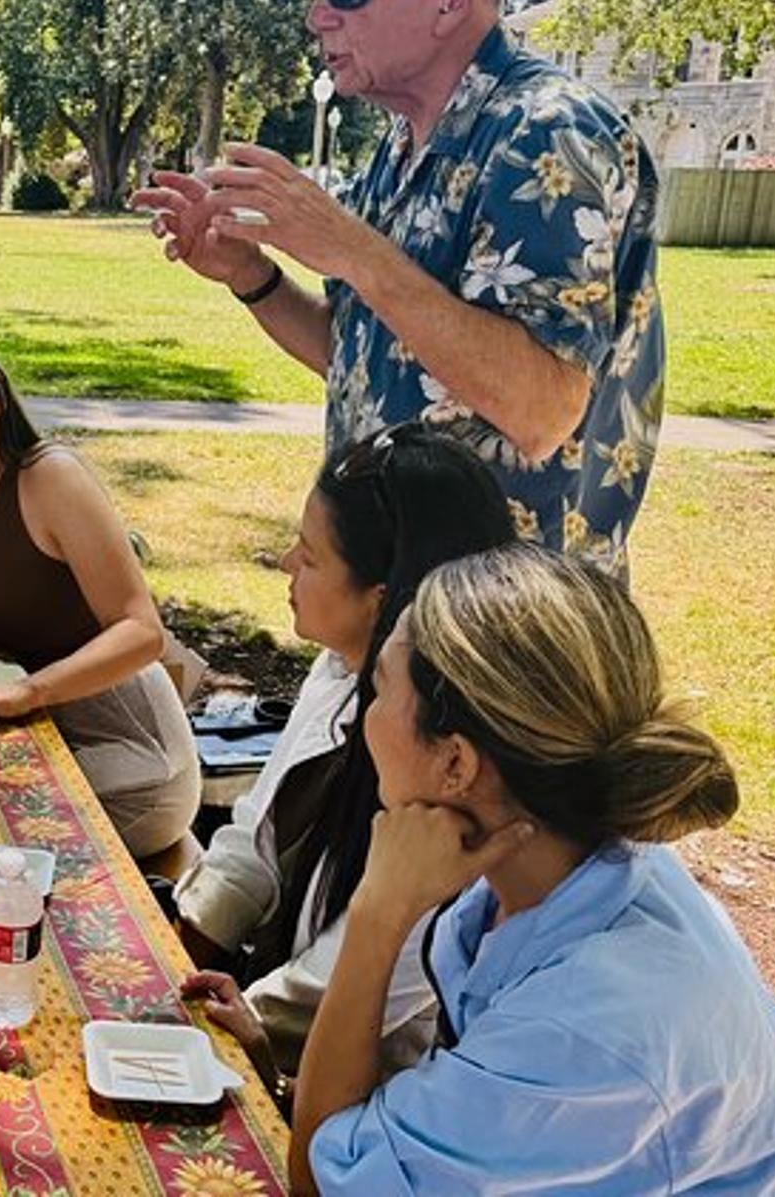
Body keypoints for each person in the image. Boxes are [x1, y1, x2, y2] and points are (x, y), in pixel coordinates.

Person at [132, 0, 665, 574]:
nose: (318, 13)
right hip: (402, 605)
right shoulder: (404, 143)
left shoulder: (547, 132)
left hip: (503, 631)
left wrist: (352, 249)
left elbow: (541, 409)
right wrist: (251, 275)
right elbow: (367, 360)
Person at [286, 544, 775, 1194]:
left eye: (378, 687)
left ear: (456, 763)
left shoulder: (584, 1025)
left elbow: (321, 1184)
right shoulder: (575, 867)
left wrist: (378, 917)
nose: (361, 715)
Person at [177, 423, 514, 1094]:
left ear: (382, 600)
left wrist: (234, 1021)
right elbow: (257, 837)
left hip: (358, 1098)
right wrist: (183, 950)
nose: (285, 565)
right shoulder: (341, 671)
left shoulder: (449, 772)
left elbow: (359, 983)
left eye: (310, 554)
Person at [0, 324, 200, 859]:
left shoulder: (50, 477)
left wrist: (28, 691)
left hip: (131, 754)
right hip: (33, 726)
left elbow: (143, 632)